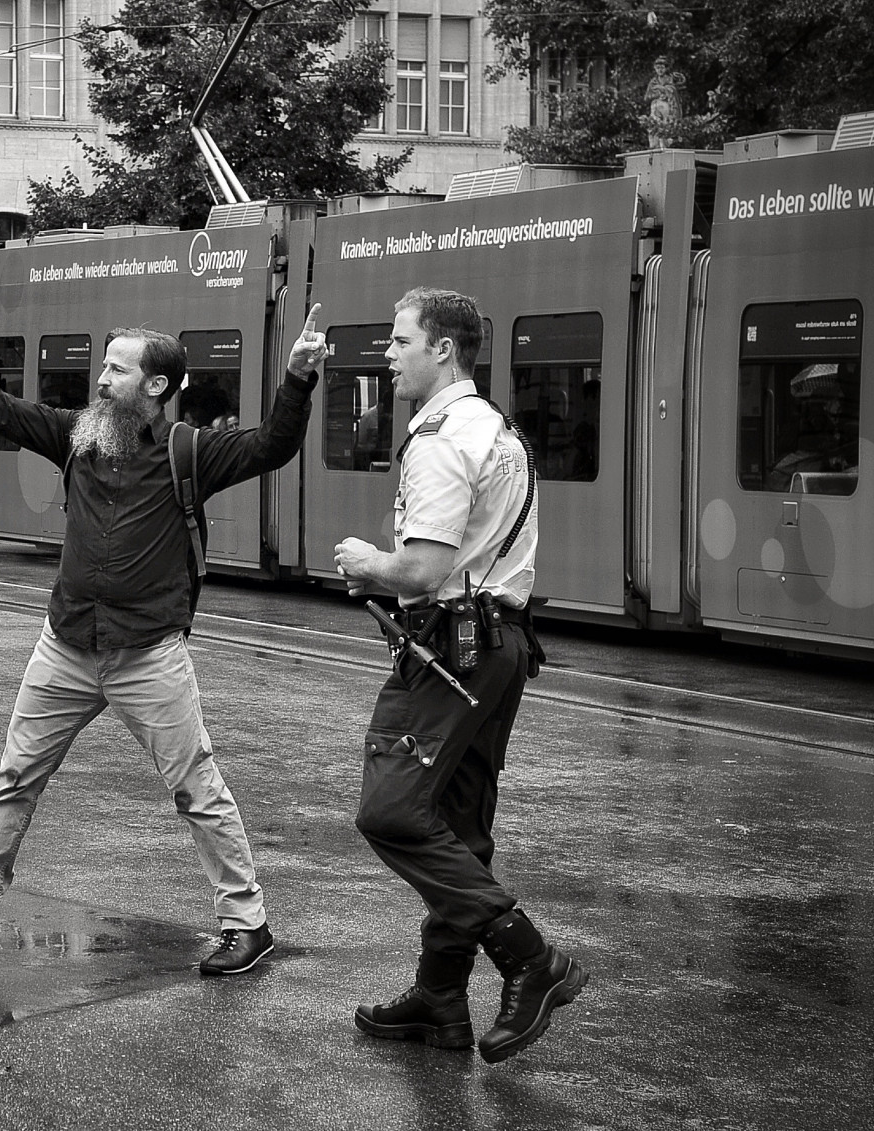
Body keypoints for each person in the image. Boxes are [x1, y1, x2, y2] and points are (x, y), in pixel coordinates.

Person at [0, 290, 328, 975]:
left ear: (155, 386)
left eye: (117, 370)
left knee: (197, 788)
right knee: (14, 777)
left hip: (147, 653)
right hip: (64, 645)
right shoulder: (76, 433)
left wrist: (299, 376)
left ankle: (248, 923)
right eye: (103, 366)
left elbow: (273, 444)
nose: (101, 378)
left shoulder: (191, 451)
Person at [335, 287, 586, 1065]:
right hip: (500, 645)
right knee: (463, 824)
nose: (388, 350)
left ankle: (529, 955)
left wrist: (365, 562)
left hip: (448, 649)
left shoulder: (442, 437)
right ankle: (440, 995)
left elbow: (423, 567)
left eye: (400, 338)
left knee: (392, 809)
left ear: (443, 349)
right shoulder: (497, 428)